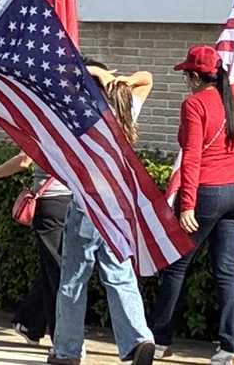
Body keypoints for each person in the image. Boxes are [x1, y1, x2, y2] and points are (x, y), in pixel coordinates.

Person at [150, 45, 234, 365]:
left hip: (207, 193)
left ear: (196, 76)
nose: (186, 79)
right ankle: (232, 348)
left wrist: (186, 205)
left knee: (176, 265)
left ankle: (160, 339)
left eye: (187, 74)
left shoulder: (194, 104)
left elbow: (192, 157)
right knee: (226, 269)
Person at [49, 59, 156, 365]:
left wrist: (95, 75)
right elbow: (146, 77)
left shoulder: (79, 115)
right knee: (120, 276)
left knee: (73, 280)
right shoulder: (124, 111)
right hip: (119, 208)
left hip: (88, 206)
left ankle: (67, 350)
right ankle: (139, 338)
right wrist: (113, 78)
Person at [0, 149, 70, 346]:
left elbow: (23, 161)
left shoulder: (44, 122)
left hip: (52, 203)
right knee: (63, 271)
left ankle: (36, 325)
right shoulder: (89, 122)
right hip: (82, 204)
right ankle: (58, 338)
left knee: (57, 271)